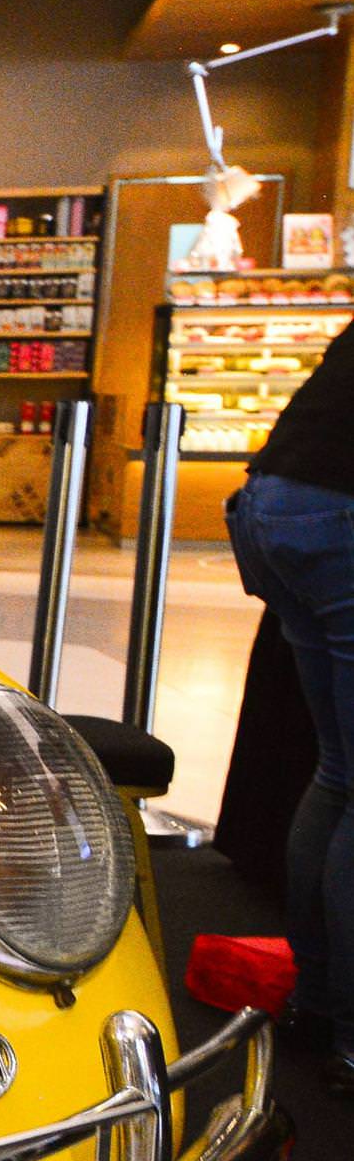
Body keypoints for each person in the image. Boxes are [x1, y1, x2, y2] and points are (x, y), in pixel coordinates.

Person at [225, 312, 354, 1090]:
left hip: (272, 505)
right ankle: (347, 1032)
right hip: (338, 515)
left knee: (336, 773)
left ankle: (315, 1002)